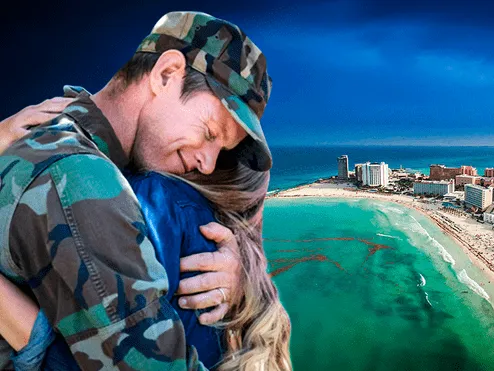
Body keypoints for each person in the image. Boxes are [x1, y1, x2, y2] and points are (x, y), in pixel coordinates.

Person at [0, 11, 290, 371]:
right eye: (211, 133)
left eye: (221, 151)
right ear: (166, 74)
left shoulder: (61, 142)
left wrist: (242, 279)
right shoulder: (79, 177)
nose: (208, 164)